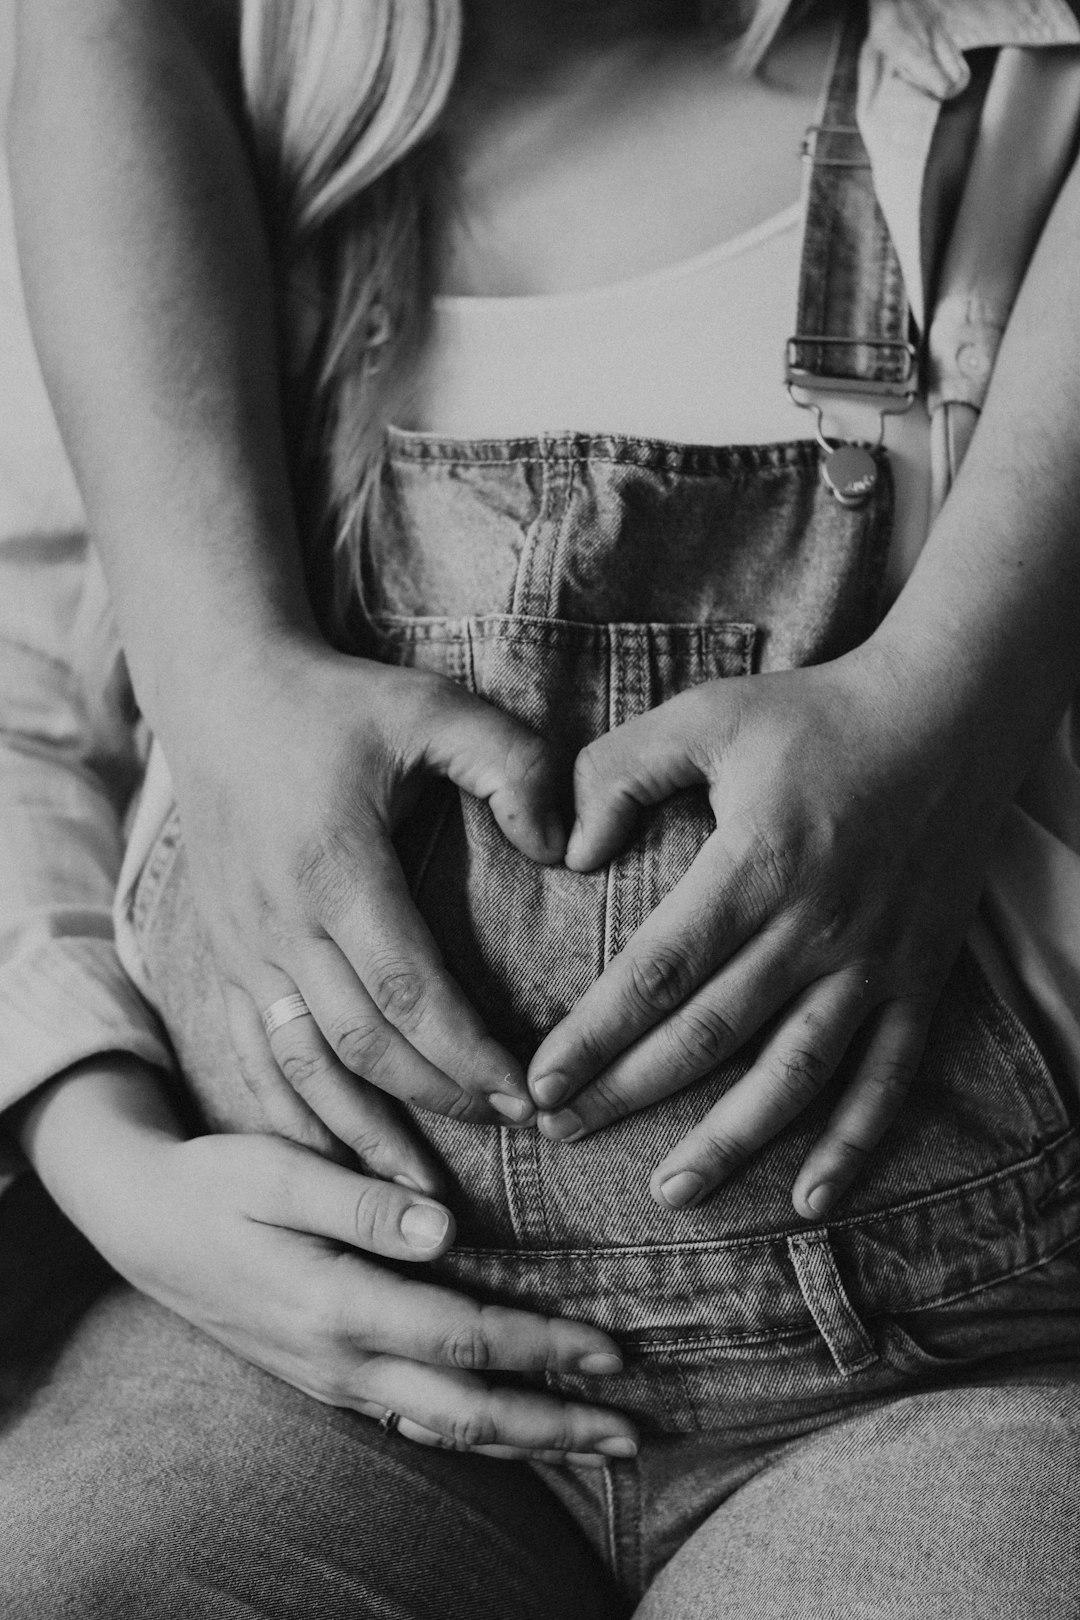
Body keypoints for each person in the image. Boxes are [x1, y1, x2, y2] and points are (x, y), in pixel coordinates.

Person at [2, 0, 1080, 1614]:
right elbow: (20, 690)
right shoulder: (205, 181)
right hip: (293, 1336)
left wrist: (949, 704)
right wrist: (102, 1158)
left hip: (928, 1368)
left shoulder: (992, 133)